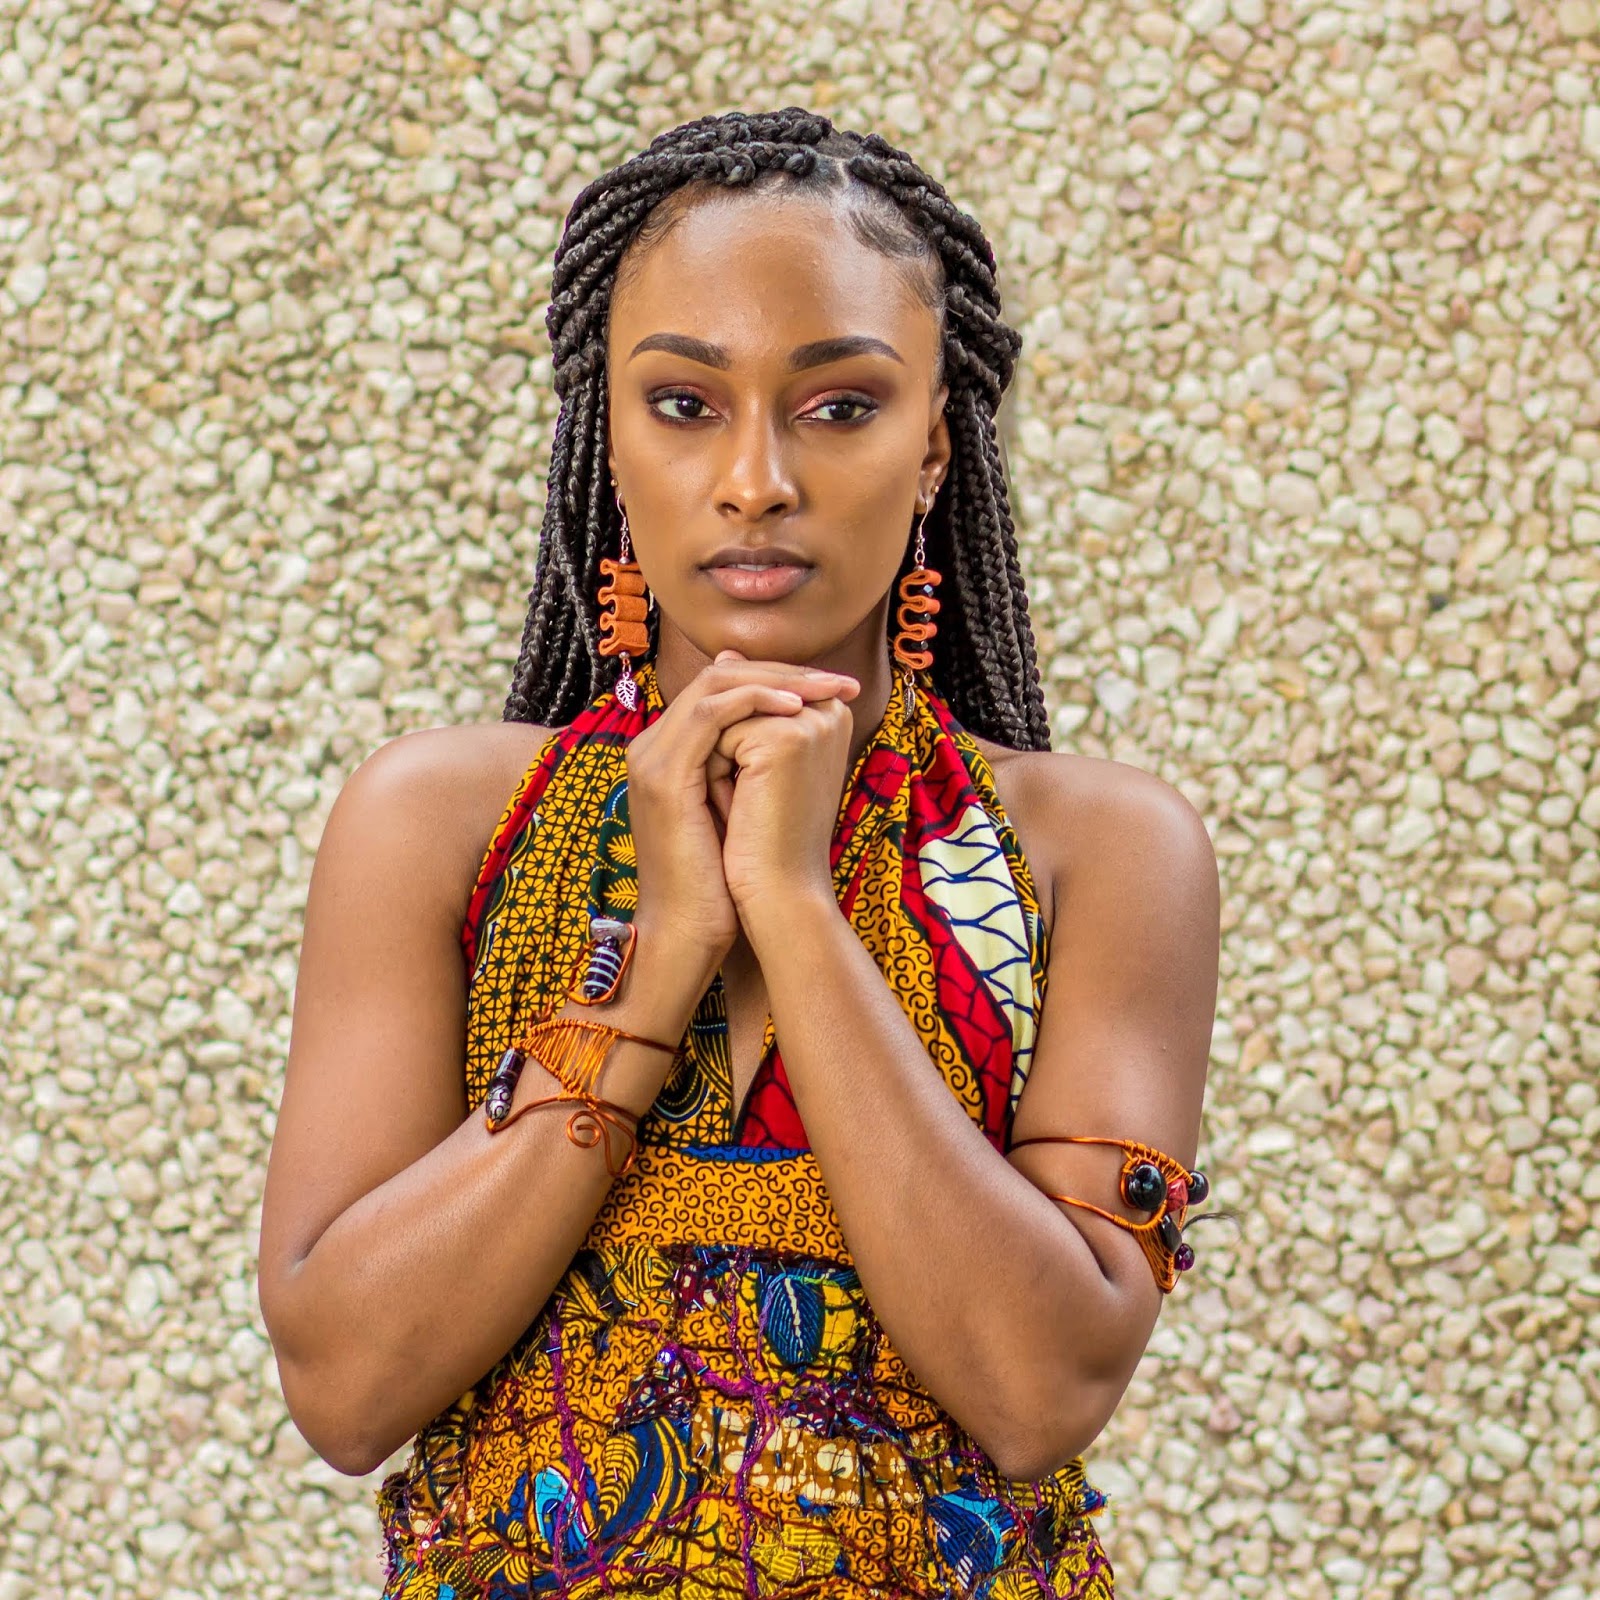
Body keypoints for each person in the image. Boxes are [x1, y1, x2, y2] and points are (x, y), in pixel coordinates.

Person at [257, 107, 1219, 1599]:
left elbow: (1039, 1390)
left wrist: (792, 901)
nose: (756, 476)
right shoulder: (443, 824)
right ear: (610, 434)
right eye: (685, 403)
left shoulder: (1092, 852)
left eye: (838, 405)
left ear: (933, 445)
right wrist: (660, 961)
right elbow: (345, 1387)